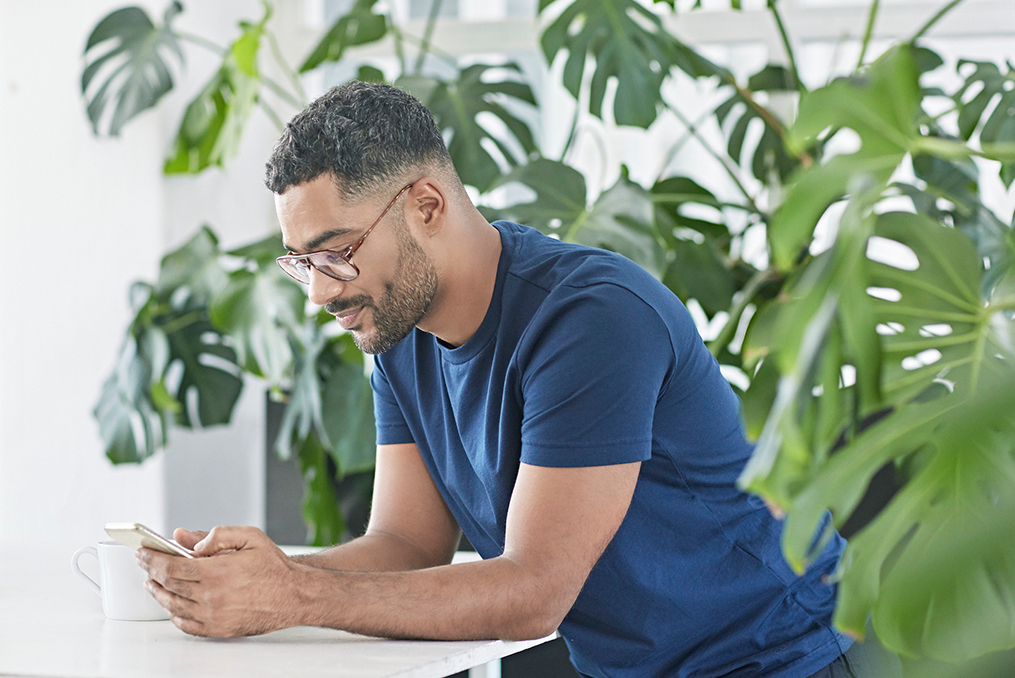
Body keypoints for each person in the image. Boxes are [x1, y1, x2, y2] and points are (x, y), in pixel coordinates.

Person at [137, 81, 901, 678]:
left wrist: (295, 595)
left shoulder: (592, 320)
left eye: (334, 253)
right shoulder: (399, 332)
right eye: (301, 261)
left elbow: (534, 591)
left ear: (426, 205)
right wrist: (252, 578)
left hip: (785, 659)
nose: (319, 291)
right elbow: (406, 542)